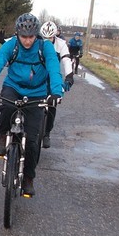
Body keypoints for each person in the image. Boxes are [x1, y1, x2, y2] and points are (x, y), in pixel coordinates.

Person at [0, 13, 63, 197]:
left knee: (33, 141)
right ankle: (3, 135)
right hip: (13, 87)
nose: (27, 41)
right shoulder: (11, 45)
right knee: (6, 107)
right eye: (23, 37)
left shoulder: (45, 47)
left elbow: (54, 69)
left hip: (37, 93)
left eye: (31, 37)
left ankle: (28, 178)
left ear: (36, 35)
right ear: (17, 34)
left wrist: (56, 92)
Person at [39, 20, 75, 148]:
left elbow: (66, 60)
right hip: (38, 74)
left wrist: (69, 76)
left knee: (52, 104)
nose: (47, 40)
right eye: (45, 38)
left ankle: (47, 133)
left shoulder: (61, 44)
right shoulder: (37, 42)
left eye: (50, 38)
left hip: (52, 75)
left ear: (55, 35)